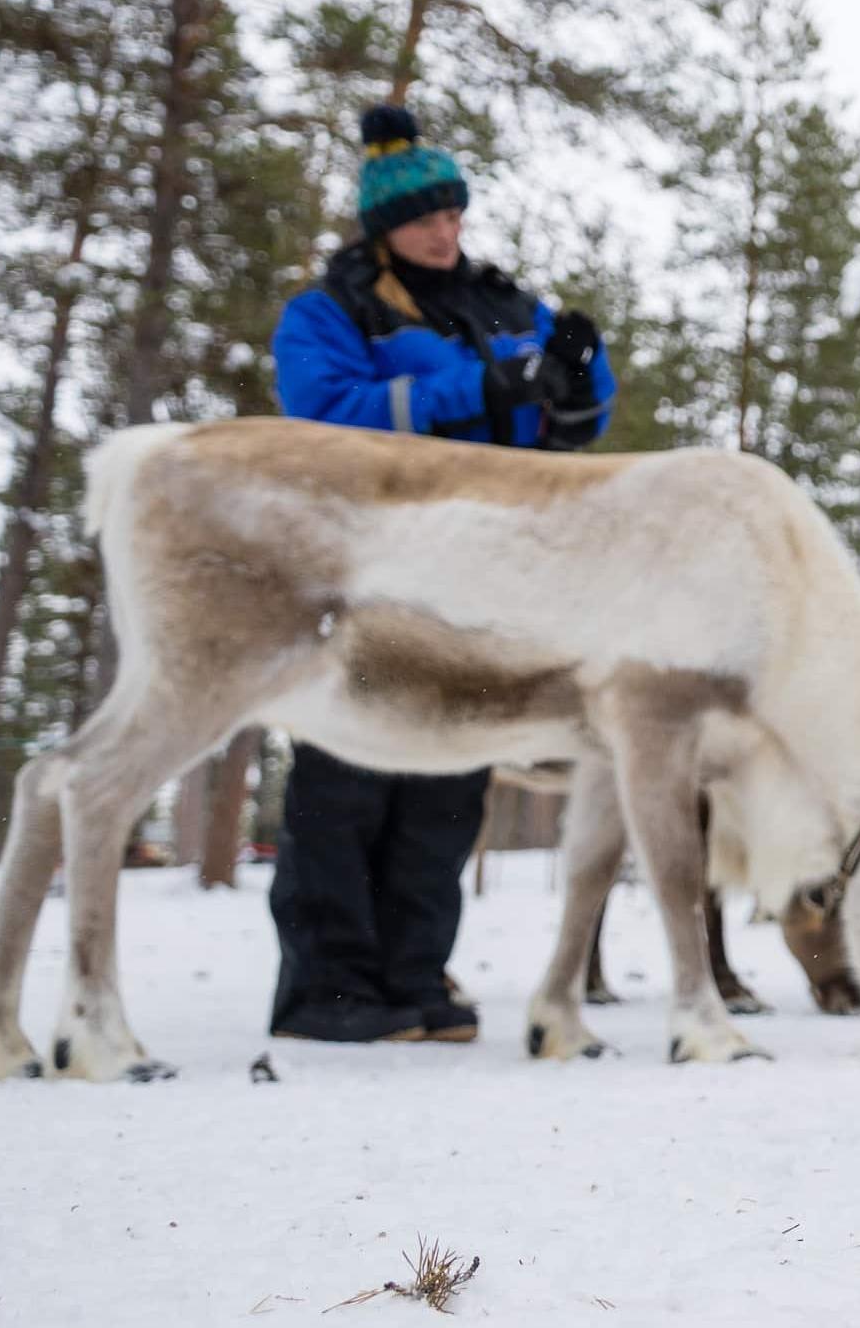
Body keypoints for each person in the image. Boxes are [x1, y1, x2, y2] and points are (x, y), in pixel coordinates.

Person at [264, 104, 617, 1044]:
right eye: (425, 217)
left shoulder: (506, 305)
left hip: (486, 569)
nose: (444, 230)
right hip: (371, 563)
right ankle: (331, 986)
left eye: (454, 213)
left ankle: (416, 975)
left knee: (450, 775)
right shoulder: (329, 311)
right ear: (385, 225)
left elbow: (567, 421)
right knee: (349, 771)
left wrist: (579, 381)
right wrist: (475, 387)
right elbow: (323, 412)